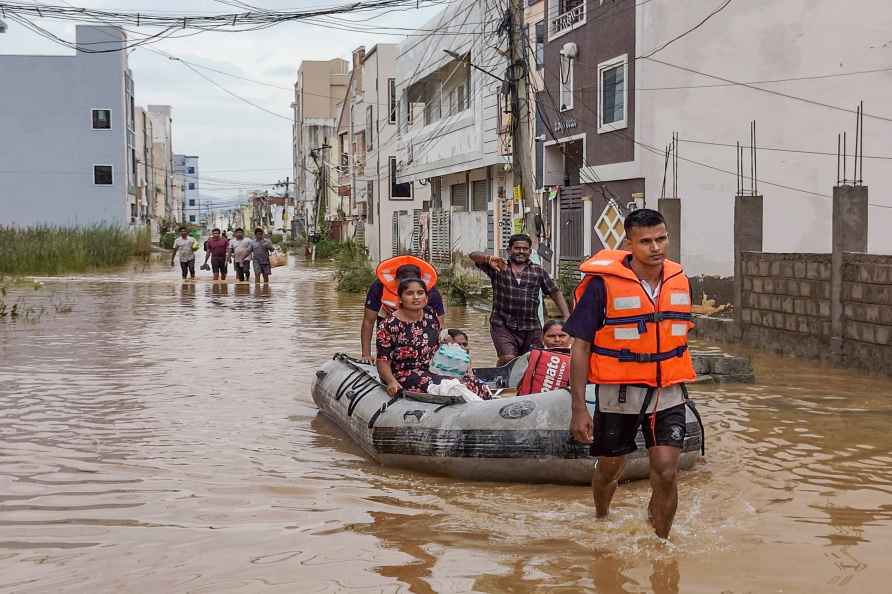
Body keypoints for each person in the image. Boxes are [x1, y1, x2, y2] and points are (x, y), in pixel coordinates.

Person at [565, 208, 696, 540]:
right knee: (611, 468)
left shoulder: (678, 278)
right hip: (618, 393)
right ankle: (601, 516)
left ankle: (660, 544)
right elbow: (580, 347)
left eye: (662, 239)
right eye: (646, 241)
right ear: (629, 243)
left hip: (667, 392)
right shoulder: (601, 285)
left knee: (666, 472)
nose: (656, 248)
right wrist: (579, 408)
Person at [376, 278, 490, 398]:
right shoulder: (389, 324)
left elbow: (439, 343)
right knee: (450, 387)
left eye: (420, 293)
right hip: (404, 374)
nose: (416, 297)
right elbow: (383, 361)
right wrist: (391, 382)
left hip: (433, 368)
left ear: (426, 297)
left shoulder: (430, 314)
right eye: (409, 293)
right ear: (400, 298)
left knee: (477, 385)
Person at [470, 234, 570, 366]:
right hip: (503, 325)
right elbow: (473, 255)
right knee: (508, 359)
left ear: (529, 251)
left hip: (531, 327)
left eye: (525, 249)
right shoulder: (499, 267)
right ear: (509, 250)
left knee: (533, 362)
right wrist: (488, 258)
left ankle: (527, 386)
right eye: (517, 248)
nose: (521, 251)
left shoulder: (538, 271)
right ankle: (503, 383)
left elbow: (554, 292)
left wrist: (567, 315)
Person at [360, 257, 446, 363]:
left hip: (420, 325)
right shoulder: (379, 287)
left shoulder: (431, 293)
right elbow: (368, 321)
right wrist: (366, 354)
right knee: (387, 352)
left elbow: (440, 327)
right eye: (407, 290)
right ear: (396, 281)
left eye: (419, 292)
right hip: (389, 319)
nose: (415, 296)